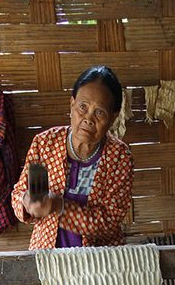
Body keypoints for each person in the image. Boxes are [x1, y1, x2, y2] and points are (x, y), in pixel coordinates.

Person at [11, 65, 133, 249]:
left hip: (98, 262)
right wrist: (27, 202)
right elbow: (18, 195)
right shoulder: (45, 144)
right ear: (72, 103)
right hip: (48, 255)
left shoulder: (119, 157)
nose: (88, 119)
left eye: (100, 112)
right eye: (82, 107)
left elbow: (110, 221)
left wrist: (59, 206)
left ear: (114, 117)